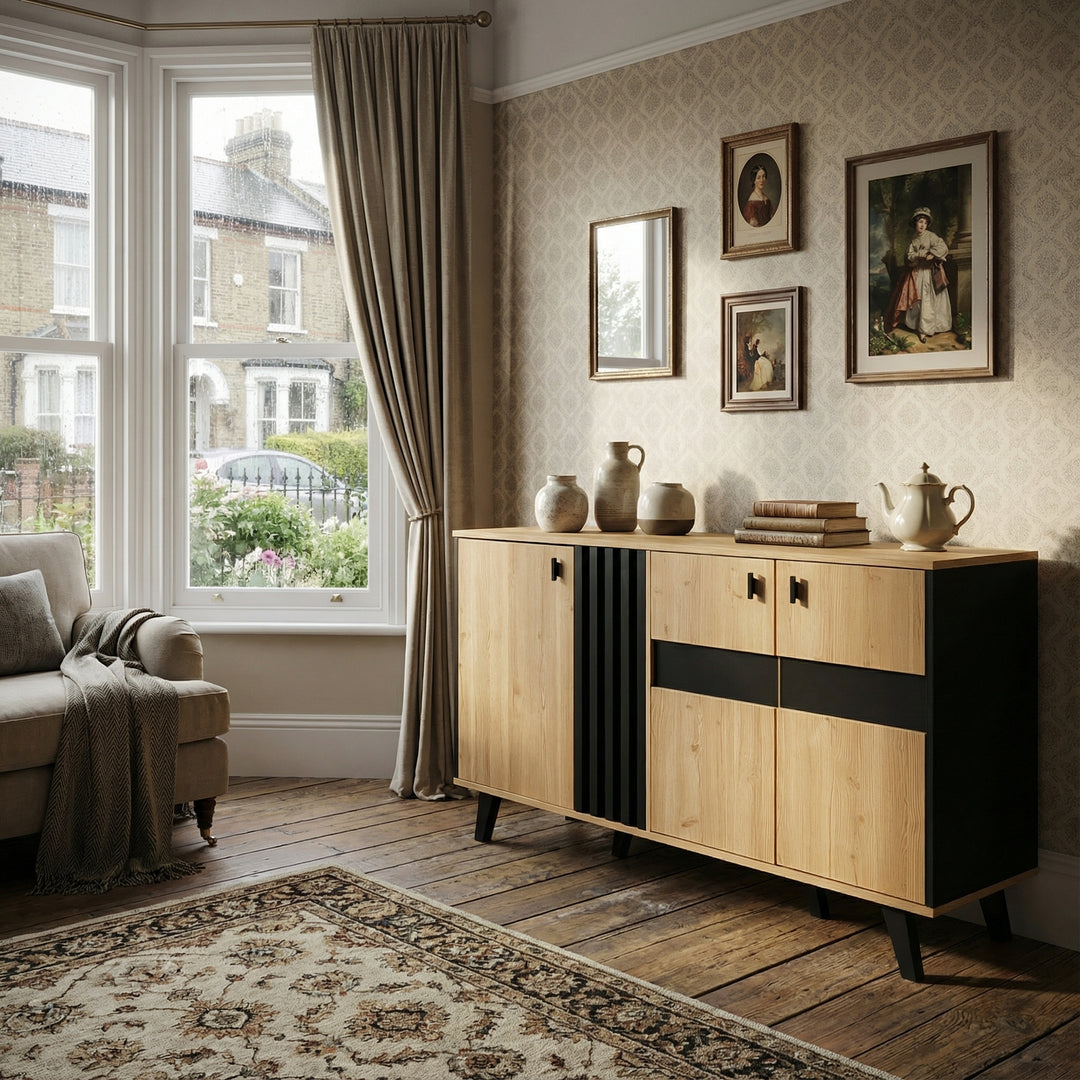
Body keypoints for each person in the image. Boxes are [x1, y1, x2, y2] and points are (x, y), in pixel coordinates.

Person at [884, 206, 952, 343]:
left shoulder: (931, 236)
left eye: (925, 222)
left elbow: (943, 247)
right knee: (919, 300)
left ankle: (931, 327)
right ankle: (921, 329)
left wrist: (931, 254)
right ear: (915, 223)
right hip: (918, 274)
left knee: (931, 299)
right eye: (920, 221)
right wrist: (918, 256)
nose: (922, 225)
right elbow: (909, 256)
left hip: (931, 273)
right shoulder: (913, 241)